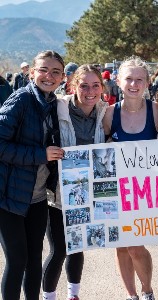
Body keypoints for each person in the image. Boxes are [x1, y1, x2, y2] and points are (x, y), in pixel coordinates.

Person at [0, 50, 65, 300]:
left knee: (35, 260)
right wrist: (41, 154)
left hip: (37, 198)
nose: (49, 76)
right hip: (8, 197)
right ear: (32, 73)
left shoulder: (52, 104)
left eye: (55, 72)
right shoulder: (20, 101)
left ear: (62, 78)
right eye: (43, 70)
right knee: (17, 260)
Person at [42, 64, 107, 300]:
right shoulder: (57, 108)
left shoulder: (104, 112)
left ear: (102, 87)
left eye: (95, 85)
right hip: (58, 194)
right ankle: (49, 297)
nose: (90, 91)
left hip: (89, 194)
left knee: (78, 247)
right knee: (59, 250)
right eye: (84, 85)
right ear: (73, 85)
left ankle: (73, 295)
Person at [103, 56, 158, 300]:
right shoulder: (108, 114)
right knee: (121, 247)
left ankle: (147, 291)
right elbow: (99, 149)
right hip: (117, 191)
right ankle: (131, 295)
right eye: (129, 78)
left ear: (148, 83)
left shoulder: (157, 112)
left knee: (136, 248)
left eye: (140, 79)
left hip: (145, 192)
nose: (134, 84)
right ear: (118, 81)